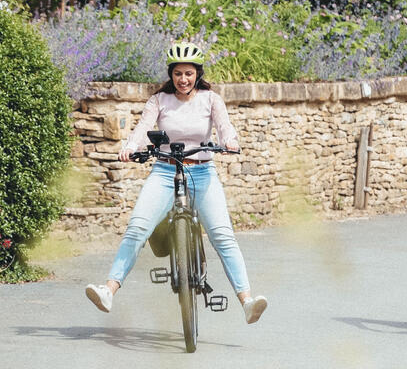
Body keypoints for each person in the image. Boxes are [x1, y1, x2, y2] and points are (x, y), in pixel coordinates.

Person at [83, 42, 269, 324]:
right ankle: (108, 290)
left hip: (203, 172)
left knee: (222, 235)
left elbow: (224, 127)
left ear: (198, 73)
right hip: (164, 170)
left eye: (189, 73)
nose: (183, 79)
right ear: (171, 74)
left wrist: (230, 141)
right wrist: (130, 147)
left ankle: (247, 301)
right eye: (178, 73)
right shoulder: (158, 100)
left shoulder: (211, 99)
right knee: (137, 227)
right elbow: (143, 129)